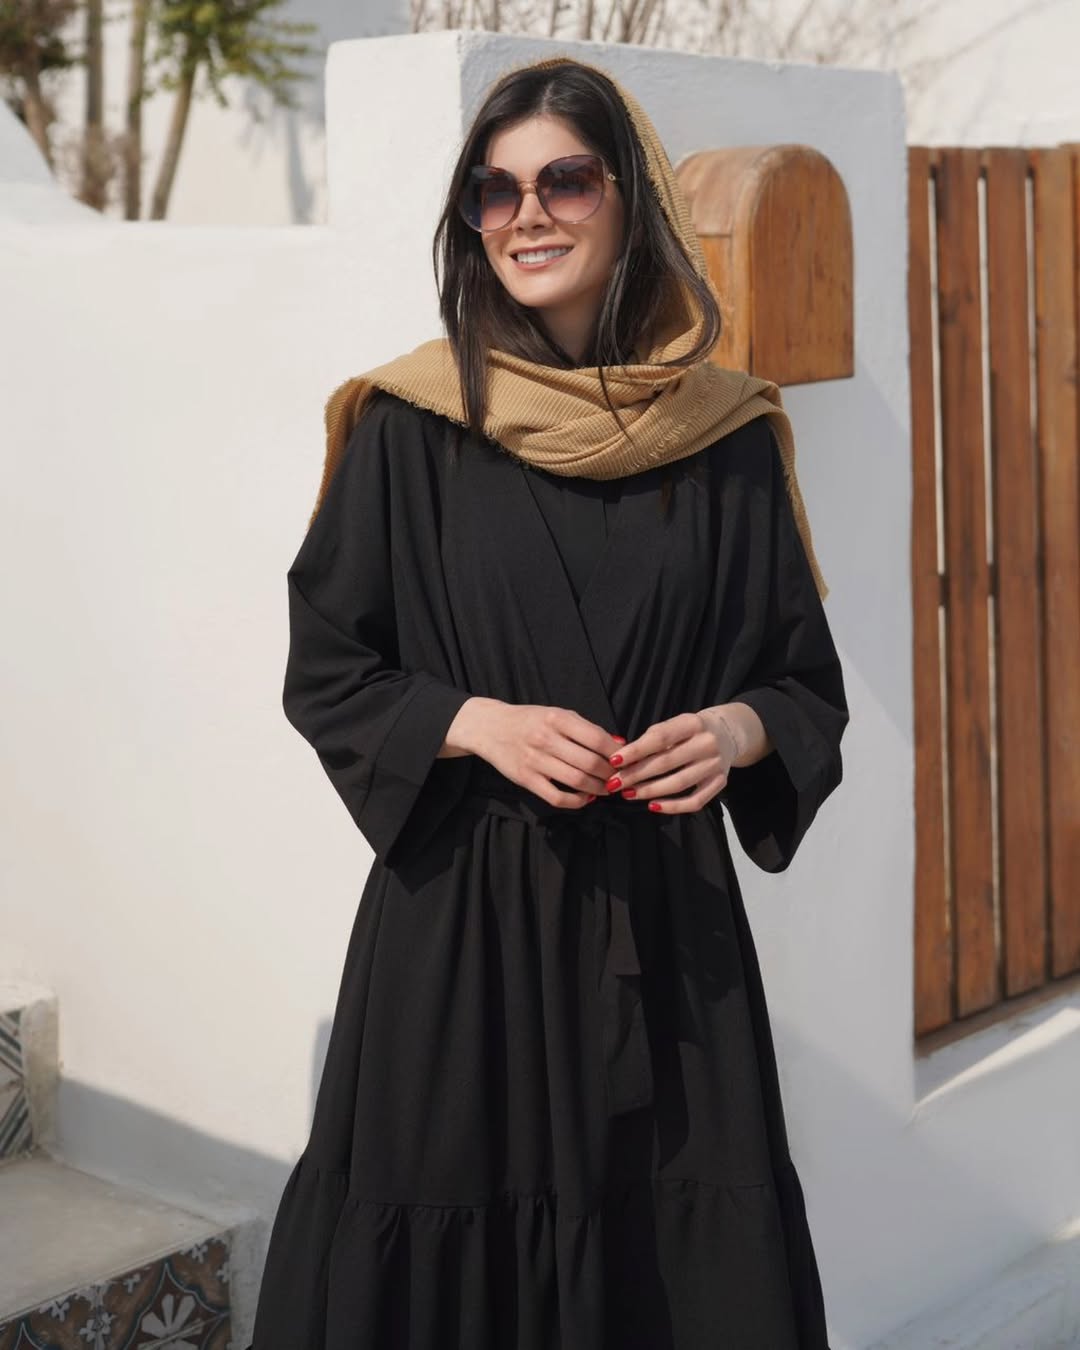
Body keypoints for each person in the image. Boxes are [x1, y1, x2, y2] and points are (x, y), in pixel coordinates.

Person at [246, 51, 848, 1350]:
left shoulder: (727, 434)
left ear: (633, 200)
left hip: (671, 944)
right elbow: (330, 664)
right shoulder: (412, 423)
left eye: (566, 181)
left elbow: (803, 683)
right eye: (495, 190)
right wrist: (474, 722)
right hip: (465, 936)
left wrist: (735, 732)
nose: (527, 215)